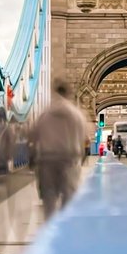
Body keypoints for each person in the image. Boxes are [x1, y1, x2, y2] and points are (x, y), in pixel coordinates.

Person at [27, 80, 87, 219]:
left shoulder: (45, 114)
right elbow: (83, 140)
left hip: (47, 161)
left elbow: (33, 137)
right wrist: (81, 159)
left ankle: (50, 227)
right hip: (69, 160)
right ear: (68, 94)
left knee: (49, 197)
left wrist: (31, 158)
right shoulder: (77, 115)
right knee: (69, 196)